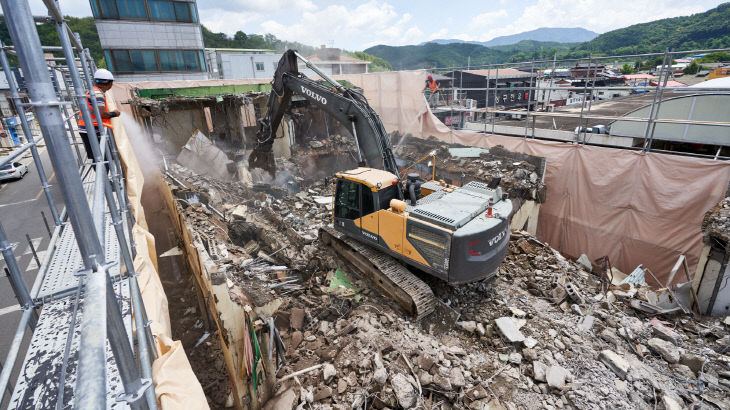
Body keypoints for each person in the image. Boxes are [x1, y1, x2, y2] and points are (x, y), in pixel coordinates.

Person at [77, 68, 120, 161]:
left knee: (99, 157)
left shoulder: (94, 91)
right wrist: (115, 113)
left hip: (88, 128)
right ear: (108, 83)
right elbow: (102, 114)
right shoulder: (98, 94)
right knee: (101, 159)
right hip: (91, 130)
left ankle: (103, 174)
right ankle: (103, 175)